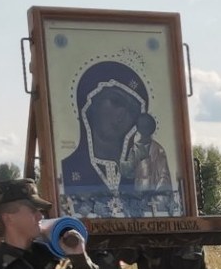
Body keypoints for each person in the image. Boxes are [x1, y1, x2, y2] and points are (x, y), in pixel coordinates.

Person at [58, 61, 183, 217]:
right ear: (89, 103)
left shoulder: (148, 162)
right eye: (116, 102)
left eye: (132, 110)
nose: (122, 115)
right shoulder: (65, 169)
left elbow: (165, 212)